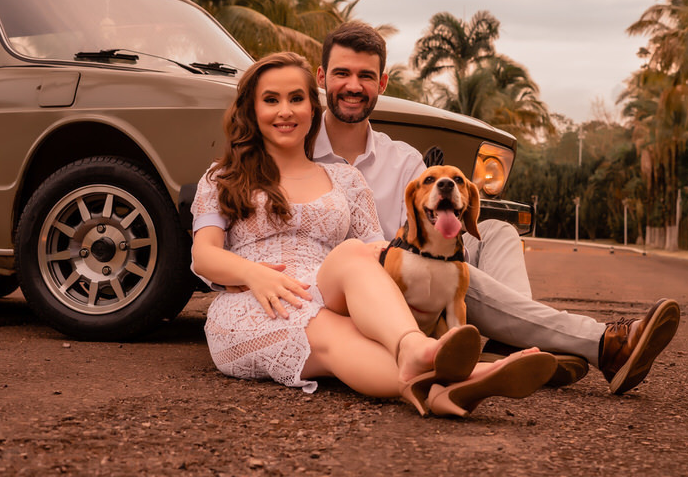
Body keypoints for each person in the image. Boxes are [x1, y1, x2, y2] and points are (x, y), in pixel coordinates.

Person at [312, 22, 681, 395]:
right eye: (342, 73)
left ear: (383, 83)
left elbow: (442, 224)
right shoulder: (300, 155)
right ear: (322, 77)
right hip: (368, 297)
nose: (354, 86)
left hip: (421, 281)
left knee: (495, 232)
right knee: (442, 267)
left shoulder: (403, 159)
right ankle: (603, 343)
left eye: (366, 75)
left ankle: (510, 343)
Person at [190, 52, 557, 417]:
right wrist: (253, 275)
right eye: (271, 100)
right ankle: (468, 379)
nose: (285, 111)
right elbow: (204, 255)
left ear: (312, 109)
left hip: (325, 287)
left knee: (356, 252)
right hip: (256, 301)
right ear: (251, 111)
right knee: (335, 339)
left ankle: (414, 349)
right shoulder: (223, 178)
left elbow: (377, 250)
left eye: (296, 98)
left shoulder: (346, 180)